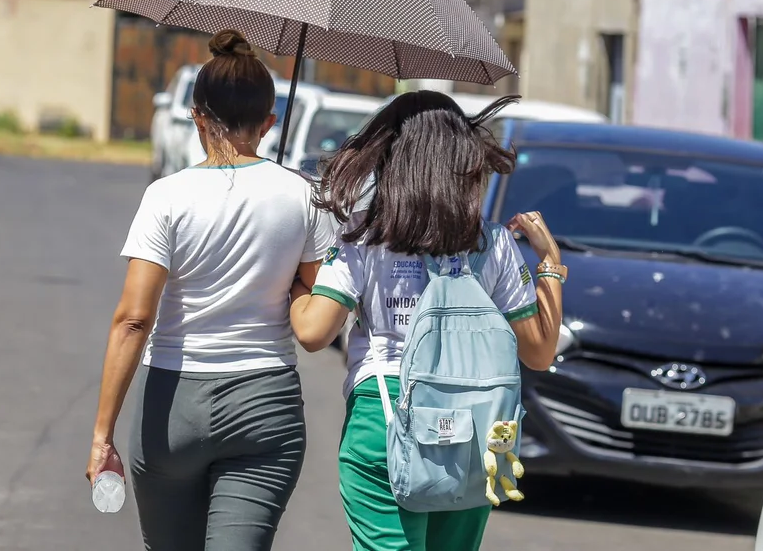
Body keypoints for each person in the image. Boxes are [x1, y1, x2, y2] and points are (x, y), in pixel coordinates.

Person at [86, 29, 335, 551]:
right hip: (265, 406)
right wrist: (291, 282)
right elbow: (318, 322)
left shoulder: (166, 197)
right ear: (268, 123)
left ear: (197, 116)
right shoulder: (306, 196)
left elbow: (134, 318)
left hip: (172, 406)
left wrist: (102, 435)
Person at [288, 90, 565, 551]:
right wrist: (550, 266)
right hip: (475, 430)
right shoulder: (493, 244)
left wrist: (299, 287)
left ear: (391, 159)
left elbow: (314, 333)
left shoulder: (365, 237)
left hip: (385, 418)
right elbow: (539, 352)